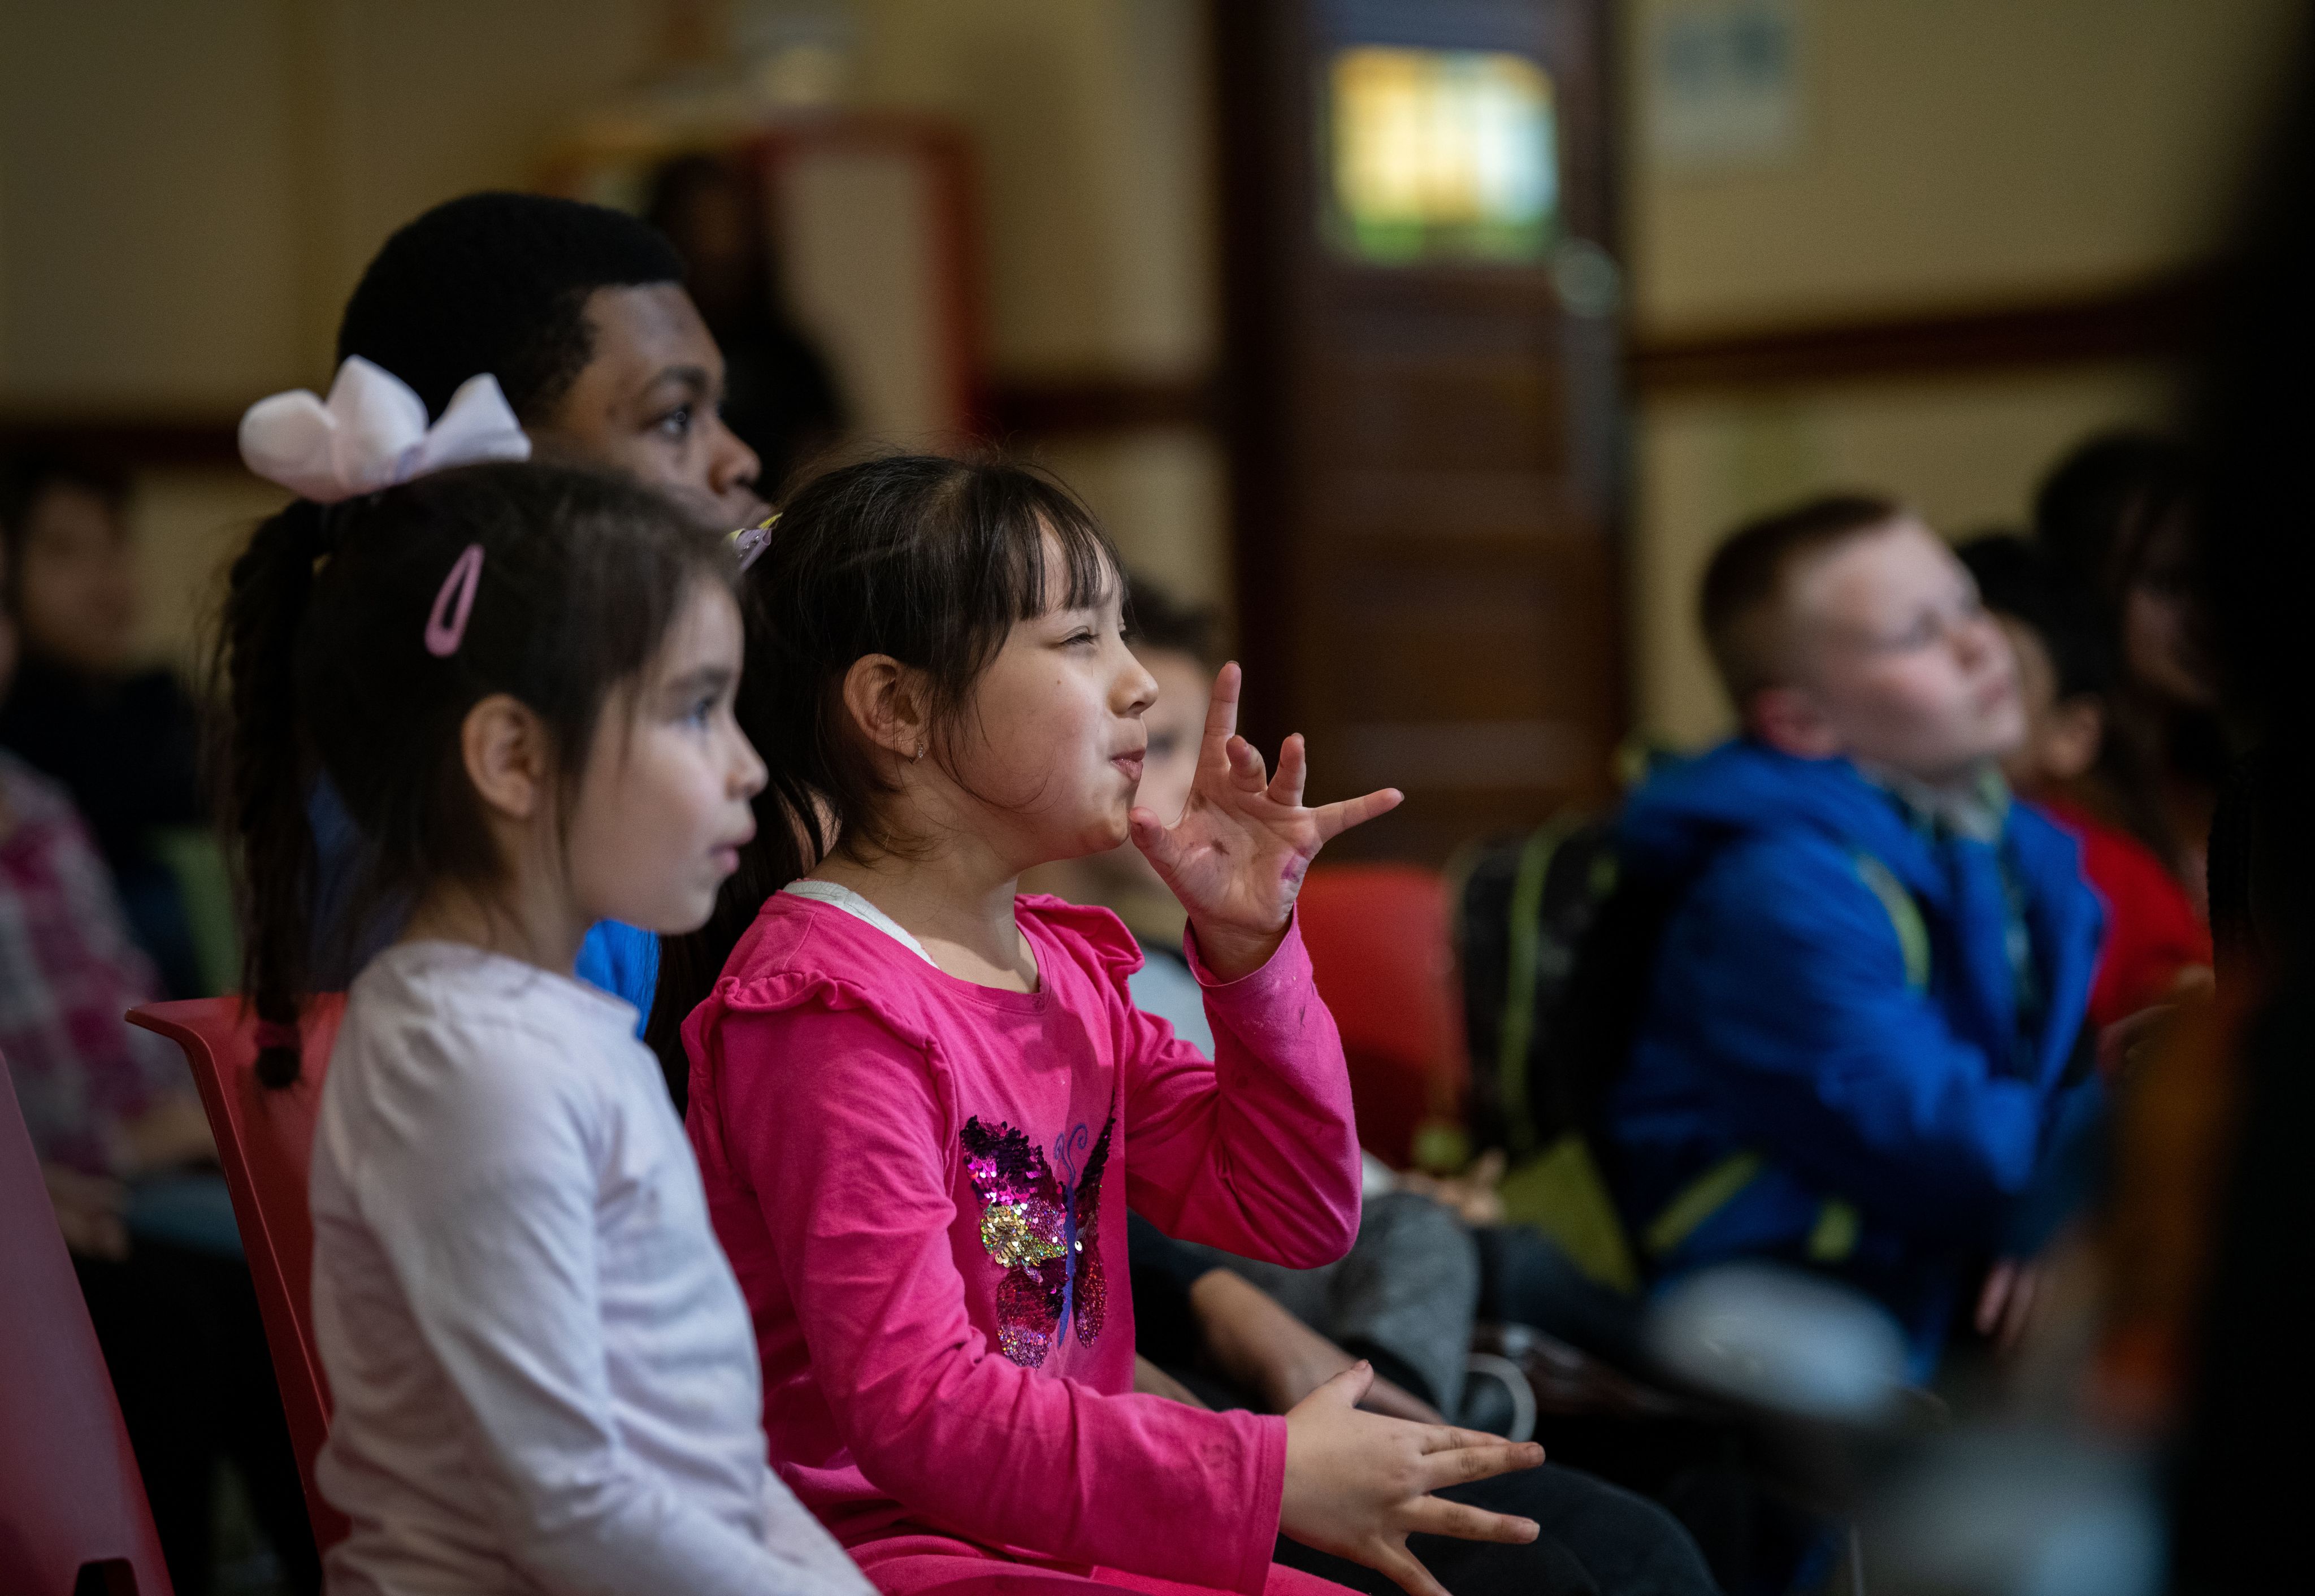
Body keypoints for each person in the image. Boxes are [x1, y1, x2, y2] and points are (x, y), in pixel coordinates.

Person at [656, 455, 1584, 1596]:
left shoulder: (1061, 965)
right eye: (1077, 639)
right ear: (895, 706)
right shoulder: (824, 1008)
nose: (1140, 684)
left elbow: (1293, 1207)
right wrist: (1262, 1472)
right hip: (894, 1550)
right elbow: (915, 1408)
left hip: (1065, 1521)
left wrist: (1250, 952)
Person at [216, 371, 869, 1595]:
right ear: (513, 754)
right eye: (695, 711)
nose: (744, 767)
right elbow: (572, 1503)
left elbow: (701, 1474)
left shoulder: (550, 1025)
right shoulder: (462, 1061)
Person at [1606, 494, 2104, 1374]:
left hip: (1931, 1241)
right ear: (1800, 722)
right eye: (1916, 634)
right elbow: (1928, 1133)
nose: (1980, 644)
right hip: (1797, 1273)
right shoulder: (1781, 889)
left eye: (1967, 603)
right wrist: (2106, 1165)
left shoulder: (2007, 840)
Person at [317, 189, 775, 1007]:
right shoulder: (446, 840)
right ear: (497, 463)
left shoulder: (601, 788)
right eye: (675, 418)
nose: (736, 459)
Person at [0, 526, 317, 1596]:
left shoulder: (38, 803)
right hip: (52, 1182)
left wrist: (179, 1115)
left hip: (131, 1153)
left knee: (297, 1267)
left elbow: (120, 996)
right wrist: (43, 1186)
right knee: (183, 1318)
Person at [1957, 534, 2210, 1030]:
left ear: (2071, 734)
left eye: (1996, 676)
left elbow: (2184, 1007)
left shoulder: (2112, 874)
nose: (1947, 691)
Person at [0, 453, 207, 998]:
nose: (104, 581)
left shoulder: (150, 705)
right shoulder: (24, 746)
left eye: (115, 545)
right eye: (64, 552)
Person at [2032, 431, 2226, 911]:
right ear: (2087, 589)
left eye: (2219, 579)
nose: (2208, 617)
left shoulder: (2210, 777)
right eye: (2168, 584)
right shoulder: (2061, 804)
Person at [646, 153, 846, 496]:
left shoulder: (792, 357)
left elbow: (825, 462)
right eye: (698, 229)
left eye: (730, 228)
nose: (720, 247)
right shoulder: (646, 355)